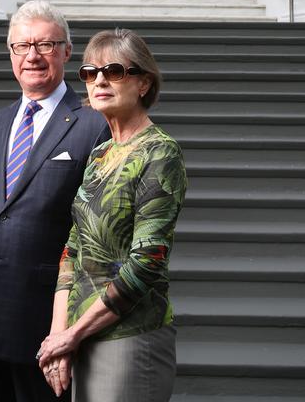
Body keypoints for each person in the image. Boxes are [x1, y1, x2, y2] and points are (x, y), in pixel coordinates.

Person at [0, 0, 109, 402]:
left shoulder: (94, 124)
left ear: (67, 52)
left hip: (46, 330)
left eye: (45, 45)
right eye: (21, 46)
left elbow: (96, 240)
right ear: (10, 54)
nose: (32, 56)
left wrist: (70, 330)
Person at [36, 28, 187, 402]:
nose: (99, 80)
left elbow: (147, 262)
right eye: (89, 72)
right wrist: (60, 337)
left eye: (115, 71)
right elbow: (72, 249)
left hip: (130, 337)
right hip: (82, 336)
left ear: (143, 83)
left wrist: (72, 334)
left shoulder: (160, 153)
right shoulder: (100, 154)